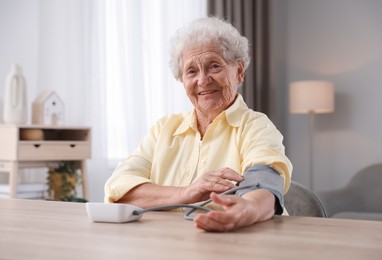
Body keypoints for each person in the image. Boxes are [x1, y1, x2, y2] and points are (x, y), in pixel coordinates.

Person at [104, 17, 293, 232]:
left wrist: (247, 208)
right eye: (191, 71)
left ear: (239, 71)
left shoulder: (256, 126)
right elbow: (119, 188)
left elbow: (265, 182)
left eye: (214, 66)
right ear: (182, 79)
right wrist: (186, 193)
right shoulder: (163, 129)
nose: (203, 80)